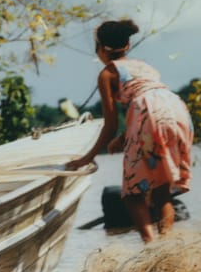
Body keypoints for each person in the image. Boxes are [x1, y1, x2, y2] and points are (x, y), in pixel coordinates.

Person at [66, 19, 194, 243]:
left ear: (101, 49)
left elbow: (112, 124)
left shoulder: (107, 73)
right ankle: (167, 248)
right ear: (127, 46)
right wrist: (125, 137)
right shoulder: (145, 67)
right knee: (161, 192)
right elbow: (153, 105)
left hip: (148, 114)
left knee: (133, 195)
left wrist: (86, 158)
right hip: (177, 109)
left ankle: (151, 248)